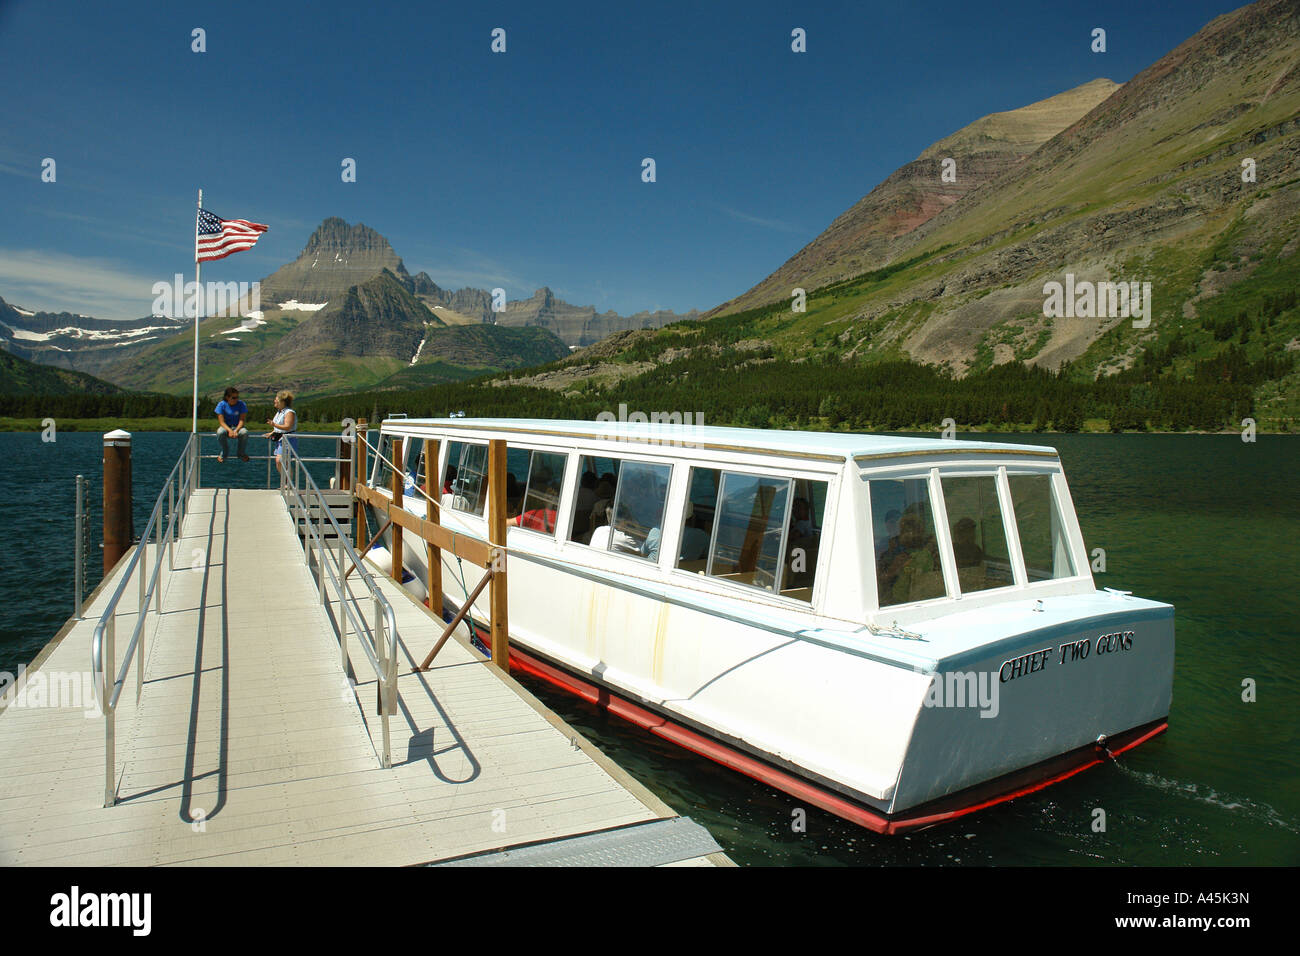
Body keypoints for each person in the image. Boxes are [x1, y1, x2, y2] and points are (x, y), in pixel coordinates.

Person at [262, 390, 298, 474]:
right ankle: (286, 483)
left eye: (276, 399)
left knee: (280, 461)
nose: (274, 401)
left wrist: (273, 424)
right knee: (280, 461)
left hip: (288, 440)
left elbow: (287, 426)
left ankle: (287, 483)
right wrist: (272, 433)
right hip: (281, 440)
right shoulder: (279, 412)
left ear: (282, 401)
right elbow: (279, 429)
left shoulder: (289, 412)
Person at [214, 386, 249, 463]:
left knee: (244, 432)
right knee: (220, 432)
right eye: (233, 398)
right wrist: (229, 430)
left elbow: (242, 420)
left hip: (238, 427)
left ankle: (241, 453)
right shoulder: (221, 405)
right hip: (225, 426)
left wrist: (236, 430)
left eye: (237, 397)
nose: (236, 399)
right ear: (227, 397)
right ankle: (224, 452)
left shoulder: (241, 404)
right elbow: (221, 422)